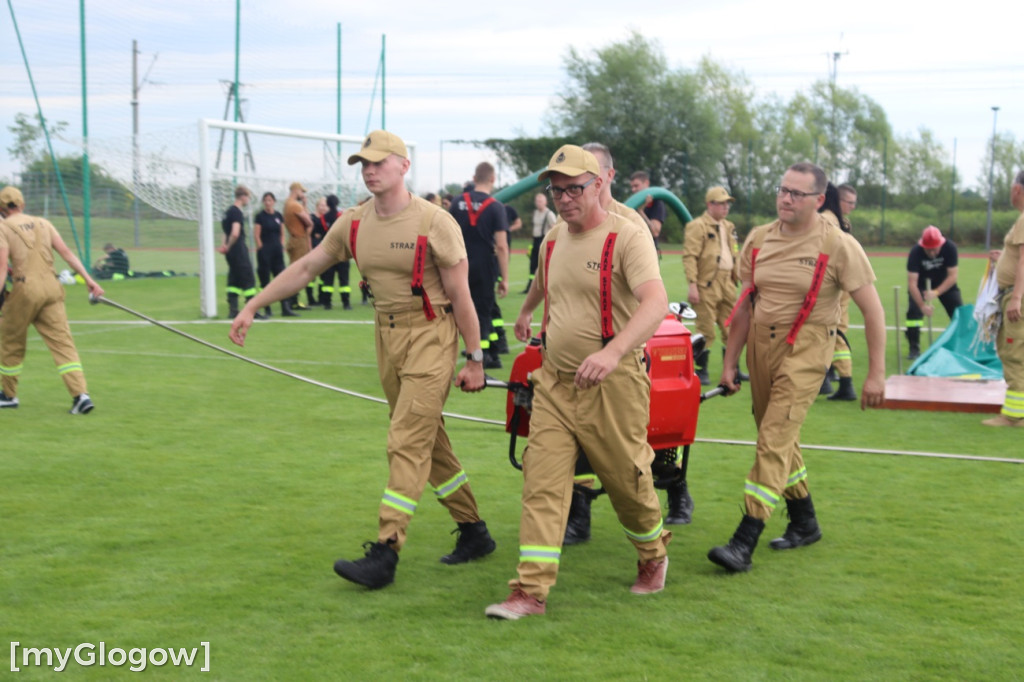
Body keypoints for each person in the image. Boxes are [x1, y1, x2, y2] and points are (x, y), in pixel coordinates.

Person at [229, 130, 496, 589]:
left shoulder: (435, 221)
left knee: (405, 439)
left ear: (402, 166)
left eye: (377, 162)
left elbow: (461, 293)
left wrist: (475, 358)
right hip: (386, 336)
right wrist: (254, 304)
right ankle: (474, 530)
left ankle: (385, 551)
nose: (369, 170)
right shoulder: (353, 222)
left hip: (431, 334)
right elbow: (307, 267)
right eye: (363, 163)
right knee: (427, 442)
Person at [485, 145, 671, 621]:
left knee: (627, 482)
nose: (564, 198)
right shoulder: (552, 239)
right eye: (556, 189)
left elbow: (655, 303)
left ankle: (652, 554)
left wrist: (611, 353)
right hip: (554, 384)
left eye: (574, 188)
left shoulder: (627, 237)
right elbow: (546, 278)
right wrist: (526, 310)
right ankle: (530, 592)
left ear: (598, 184)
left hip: (614, 385)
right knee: (542, 482)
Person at [707, 162, 886, 574]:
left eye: (796, 193)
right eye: (782, 190)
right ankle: (805, 521)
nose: (785, 198)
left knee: (773, 437)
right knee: (779, 436)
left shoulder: (839, 245)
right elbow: (745, 306)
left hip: (807, 349)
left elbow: (873, 313)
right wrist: (730, 362)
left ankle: (745, 537)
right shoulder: (758, 239)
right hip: (760, 348)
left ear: (819, 200)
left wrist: (875, 374)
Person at [0, 185, 104, 414]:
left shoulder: (3, 227)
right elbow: (66, 253)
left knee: (11, 340)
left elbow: (1, 265)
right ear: (22, 204)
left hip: (25, 290)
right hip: (52, 288)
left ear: (1, 208)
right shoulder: (43, 223)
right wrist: (89, 280)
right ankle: (81, 396)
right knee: (63, 344)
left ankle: (8, 395)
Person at [449, 162, 510, 369]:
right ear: (493, 179)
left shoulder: (456, 203)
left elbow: (446, 236)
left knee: (461, 308)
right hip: (485, 266)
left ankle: (483, 349)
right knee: (483, 312)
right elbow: (501, 246)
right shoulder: (495, 207)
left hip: (458, 264)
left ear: (474, 179)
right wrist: (505, 278)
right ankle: (483, 355)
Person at [683, 187, 742, 386]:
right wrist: (692, 284)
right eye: (721, 203)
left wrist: (737, 275)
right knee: (705, 328)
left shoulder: (729, 226)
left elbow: (735, 251)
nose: (726, 207)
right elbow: (690, 256)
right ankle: (702, 370)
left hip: (727, 283)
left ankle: (733, 369)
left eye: (728, 203)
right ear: (710, 205)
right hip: (706, 284)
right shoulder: (697, 226)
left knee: (732, 328)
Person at [983, 170, 1024, 427]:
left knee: (1013, 353)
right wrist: (1003, 261)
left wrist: (1017, 297)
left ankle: (1013, 415)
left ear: (1018, 189)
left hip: (1016, 297)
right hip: (1014, 293)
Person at [905, 225, 962, 360]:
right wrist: (922, 306)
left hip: (944, 283)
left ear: (940, 244)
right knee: (913, 314)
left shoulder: (950, 248)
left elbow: (953, 276)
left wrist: (936, 292)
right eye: (928, 250)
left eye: (934, 250)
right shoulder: (915, 252)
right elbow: (912, 283)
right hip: (920, 285)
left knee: (958, 312)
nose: (931, 253)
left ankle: (959, 346)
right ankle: (914, 347)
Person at [824, 184, 859, 401]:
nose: (852, 207)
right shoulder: (840, 221)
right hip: (841, 282)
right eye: (850, 202)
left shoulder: (827, 220)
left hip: (831, 284)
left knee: (833, 332)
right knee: (835, 330)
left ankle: (844, 381)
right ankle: (827, 379)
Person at [217, 185, 265, 320]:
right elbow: (235, 233)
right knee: (248, 276)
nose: (248, 200)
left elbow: (225, 232)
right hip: (237, 249)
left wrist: (224, 246)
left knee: (234, 277)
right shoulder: (237, 212)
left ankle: (233, 310)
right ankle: (252, 311)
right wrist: (229, 245)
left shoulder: (227, 212)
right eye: (248, 197)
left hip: (230, 252)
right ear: (243, 196)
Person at [254, 191, 297, 318]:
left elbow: (282, 233)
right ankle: (266, 308)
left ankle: (285, 307)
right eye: (266, 200)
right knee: (265, 281)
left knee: (281, 278)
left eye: (270, 200)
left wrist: (281, 244)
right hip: (265, 252)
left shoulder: (278, 215)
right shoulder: (260, 216)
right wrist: (261, 246)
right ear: (263, 202)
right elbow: (257, 234)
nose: (268, 202)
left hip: (277, 251)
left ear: (274, 202)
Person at [283, 181, 315, 309]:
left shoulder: (286, 204)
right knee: (297, 271)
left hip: (294, 239)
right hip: (299, 240)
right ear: (296, 190)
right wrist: (304, 205)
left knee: (296, 269)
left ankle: (293, 299)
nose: (302, 194)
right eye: (301, 191)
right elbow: (308, 221)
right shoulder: (294, 205)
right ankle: (292, 301)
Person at [317, 195, 351, 310]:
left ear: (327, 204)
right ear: (337, 202)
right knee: (344, 280)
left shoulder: (322, 218)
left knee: (328, 279)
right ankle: (346, 303)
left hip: (328, 252)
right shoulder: (342, 216)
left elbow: (320, 235)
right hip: (342, 252)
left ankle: (327, 303)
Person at [524, 192, 556, 294]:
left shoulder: (549, 214)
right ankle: (530, 286)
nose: (539, 203)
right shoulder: (535, 213)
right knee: (532, 264)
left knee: (544, 264)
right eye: (537, 201)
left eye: (541, 201)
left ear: (545, 202)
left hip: (544, 240)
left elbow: (554, 228)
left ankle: (546, 286)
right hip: (535, 240)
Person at [629, 170, 666, 255]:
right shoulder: (633, 202)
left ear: (646, 183)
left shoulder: (657, 203)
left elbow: (655, 232)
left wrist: (641, 211)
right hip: (632, 249)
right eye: (632, 187)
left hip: (648, 252)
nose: (633, 189)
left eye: (636, 186)